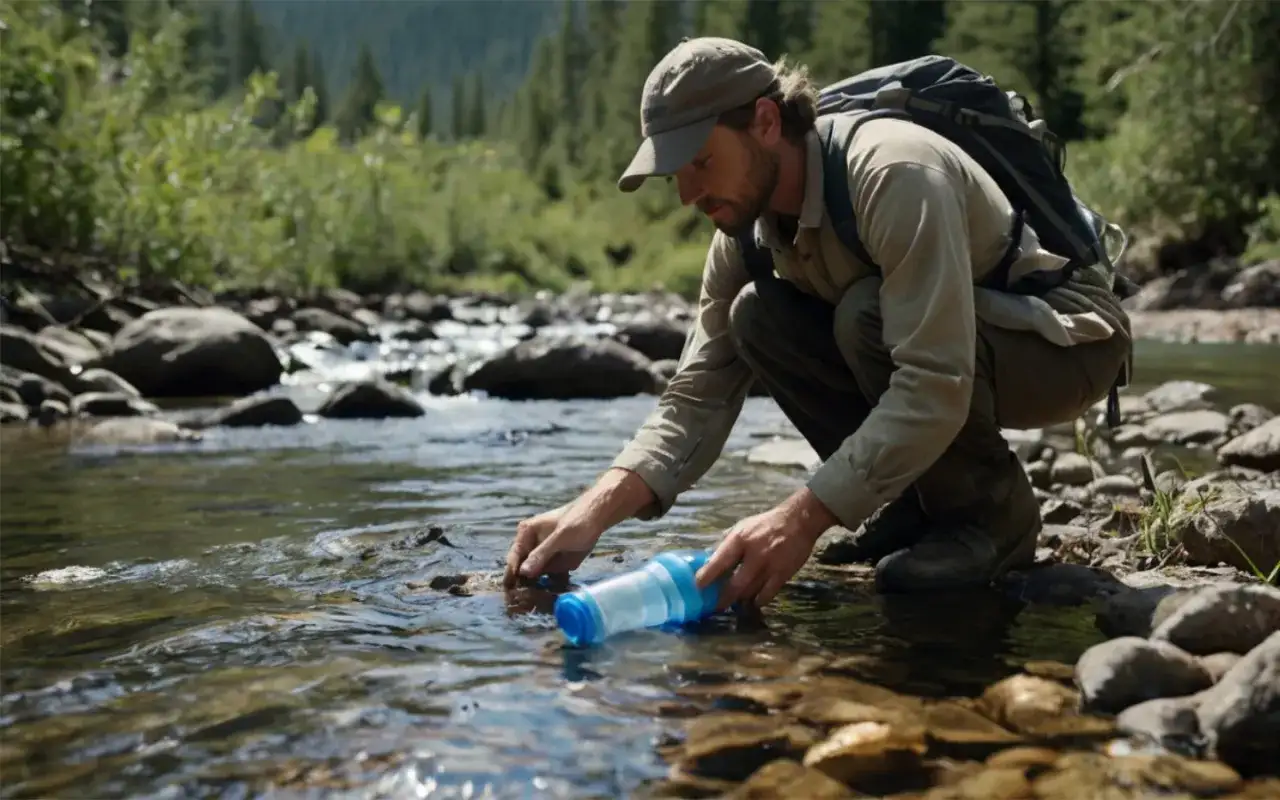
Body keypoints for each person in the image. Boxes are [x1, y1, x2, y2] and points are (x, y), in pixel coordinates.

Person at [503, 37, 1132, 607]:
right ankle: (912, 510)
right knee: (757, 316)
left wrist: (800, 518)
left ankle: (993, 519)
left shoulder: (894, 174)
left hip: (1065, 343)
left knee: (867, 313)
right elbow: (694, 396)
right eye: (675, 173)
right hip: (953, 349)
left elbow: (935, 384)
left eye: (699, 161)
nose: (686, 196)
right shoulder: (742, 234)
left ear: (766, 121)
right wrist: (589, 512)